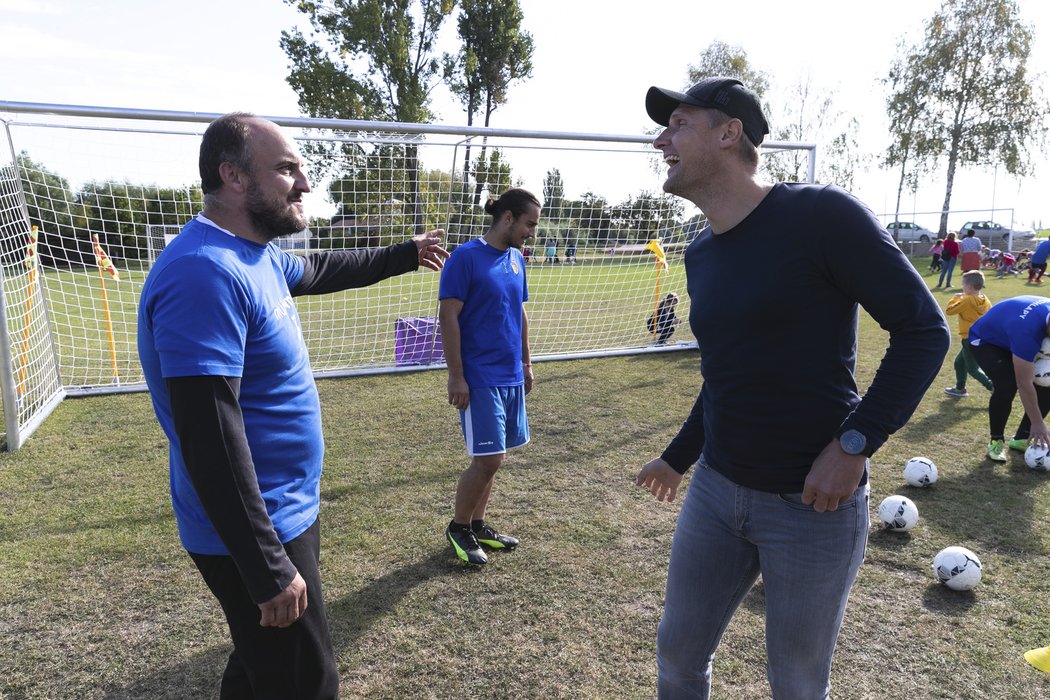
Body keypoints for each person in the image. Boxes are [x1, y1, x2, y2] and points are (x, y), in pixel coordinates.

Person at [635, 77, 949, 699]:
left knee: (798, 682)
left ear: (729, 133)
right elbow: (726, 372)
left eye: (678, 124)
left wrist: (855, 443)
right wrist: (679, 456)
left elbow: (923, 330)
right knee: (677, 653)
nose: (660, 138)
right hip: (717, 495)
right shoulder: (702, 254)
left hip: (814, 507)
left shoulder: (821, 216)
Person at [137, 113, 448, 698]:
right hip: (258, 529)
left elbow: (326, 268)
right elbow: (209, 435)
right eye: (287, 169)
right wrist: (267, 567)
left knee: (262, 669)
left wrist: (405, 254)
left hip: (285, 511)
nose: (304, 184)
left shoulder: (254, 255)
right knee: (308, 681)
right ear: (232, 176)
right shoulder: (204, 272)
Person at [438, 188, 539, 566]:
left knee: (494, 457)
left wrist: (526, 363)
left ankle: (478, 524)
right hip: (479, 376)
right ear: (508, 218)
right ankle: (458, 527)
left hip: (510, 373)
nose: (532, 232)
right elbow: (448, 317)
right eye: (529, 224)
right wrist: (456, 376)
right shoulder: (465, 257)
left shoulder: (516, 259)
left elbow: (520, 313)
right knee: (489, 458)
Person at [968, 295, 1050, 462]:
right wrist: (1038, 422)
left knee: (1046, 380)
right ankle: (996, 440)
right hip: (986, 341)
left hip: (1011, 333)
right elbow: (1024, 383)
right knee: (1007, 385)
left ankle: (1021, 438)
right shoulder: (1027, 332)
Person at [944, 270, 994, 398]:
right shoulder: (984, 299)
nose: (962, 287)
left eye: (963, 284)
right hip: (979, 337)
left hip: (970, 338)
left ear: (970, 287)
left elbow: (949, 311)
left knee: (972, 369)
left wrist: (956, 297)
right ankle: (960, 389)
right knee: (959, 363)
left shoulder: (967, 300)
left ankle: (994, 387)